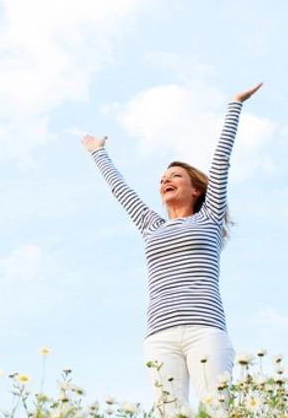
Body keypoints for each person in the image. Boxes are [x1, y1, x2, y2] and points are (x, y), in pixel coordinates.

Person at [81, 83, 263, 414]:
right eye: (163, 177)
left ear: (195, 189)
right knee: (170, 411)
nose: (166, 180)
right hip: (159, 332)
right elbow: (121, 191)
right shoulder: (151, 225)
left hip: (204, 327)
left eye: (176, 175)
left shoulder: (209, 217)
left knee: (216, 409)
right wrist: (98, 152)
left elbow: (221, 162)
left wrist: (235, 105)